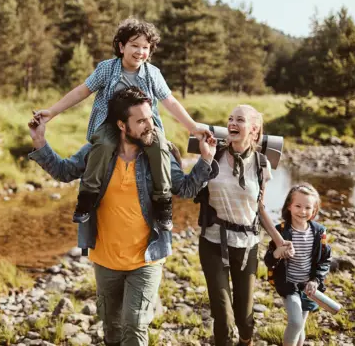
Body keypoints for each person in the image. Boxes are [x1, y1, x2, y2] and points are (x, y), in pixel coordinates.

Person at [28, 86, 218, 346]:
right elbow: (64, 172)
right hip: (106, 260)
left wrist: (205, 161)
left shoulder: (157, 155)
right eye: (140, 121)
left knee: (135, 324)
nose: (148, 126)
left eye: (150, 118)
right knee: (112, 329)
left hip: (147, 259)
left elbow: (184, 188)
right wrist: (40, 141)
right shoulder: (98, 152)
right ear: (121, 124)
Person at [30, 18, 211, 232]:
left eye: (145, 47)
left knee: (160, 145)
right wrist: (51, 112)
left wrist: (192, 127)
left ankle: (163, 202)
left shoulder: (152, 74)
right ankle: (87, 196)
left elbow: (169, 101)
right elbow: (82, 91)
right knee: (104, 145)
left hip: (146, 130)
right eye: (135, 45)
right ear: (121, 46)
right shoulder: (107, 69)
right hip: (109, 125)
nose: (140, 52)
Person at [194, 104, 294, 346]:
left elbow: (259, 208)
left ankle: (245, 341)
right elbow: (191, 187)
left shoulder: (262, 165)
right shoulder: (214, 155)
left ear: (254, 130)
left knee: (245, 317)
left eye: (239, 120)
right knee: (222, 316)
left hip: (247, 245)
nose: (232, 123)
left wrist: (280, 242)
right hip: (212, 241)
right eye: (230, 119)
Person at [264, 183, 332, 346]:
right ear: (289, 206)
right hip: (289, 285)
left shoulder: (319, 233)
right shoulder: (280, 231)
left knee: (300, 325)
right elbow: (268, 261)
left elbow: (324, 260)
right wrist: (277, 253)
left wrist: (315, 280)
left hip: (309, 287)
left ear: (314, 209)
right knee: (295, 322)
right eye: (298, 206)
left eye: (308, 207)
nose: (303, 211)